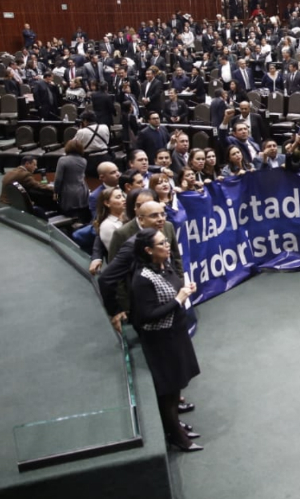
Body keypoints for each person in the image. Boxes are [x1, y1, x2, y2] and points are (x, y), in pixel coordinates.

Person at [129, 228, 202, 452]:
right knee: (168, 392)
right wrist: (179, 300)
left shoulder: (164, 265)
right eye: (161, 244)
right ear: (149, 250)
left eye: (166, 242)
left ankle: (175, 426)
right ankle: (177, 438)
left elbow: (174, 288)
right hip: (162, 341)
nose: (167, 246)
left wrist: (185, 289)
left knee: (176, 387)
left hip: (176, 333)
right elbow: (147, 316)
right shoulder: (142, 279)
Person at [53, 139, 91, 222]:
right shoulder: (84, 161)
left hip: (69, 192)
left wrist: (56, 192)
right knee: (82, 215)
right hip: (82, 190)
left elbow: (58, 179)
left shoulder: (63, 160)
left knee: (69, 216)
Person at [92, 187, 126, 258]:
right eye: (118, 197)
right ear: (107, 203)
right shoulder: (107, 226)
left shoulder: (127, 216)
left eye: (122, 196)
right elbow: (118, 252)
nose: (123, 199)